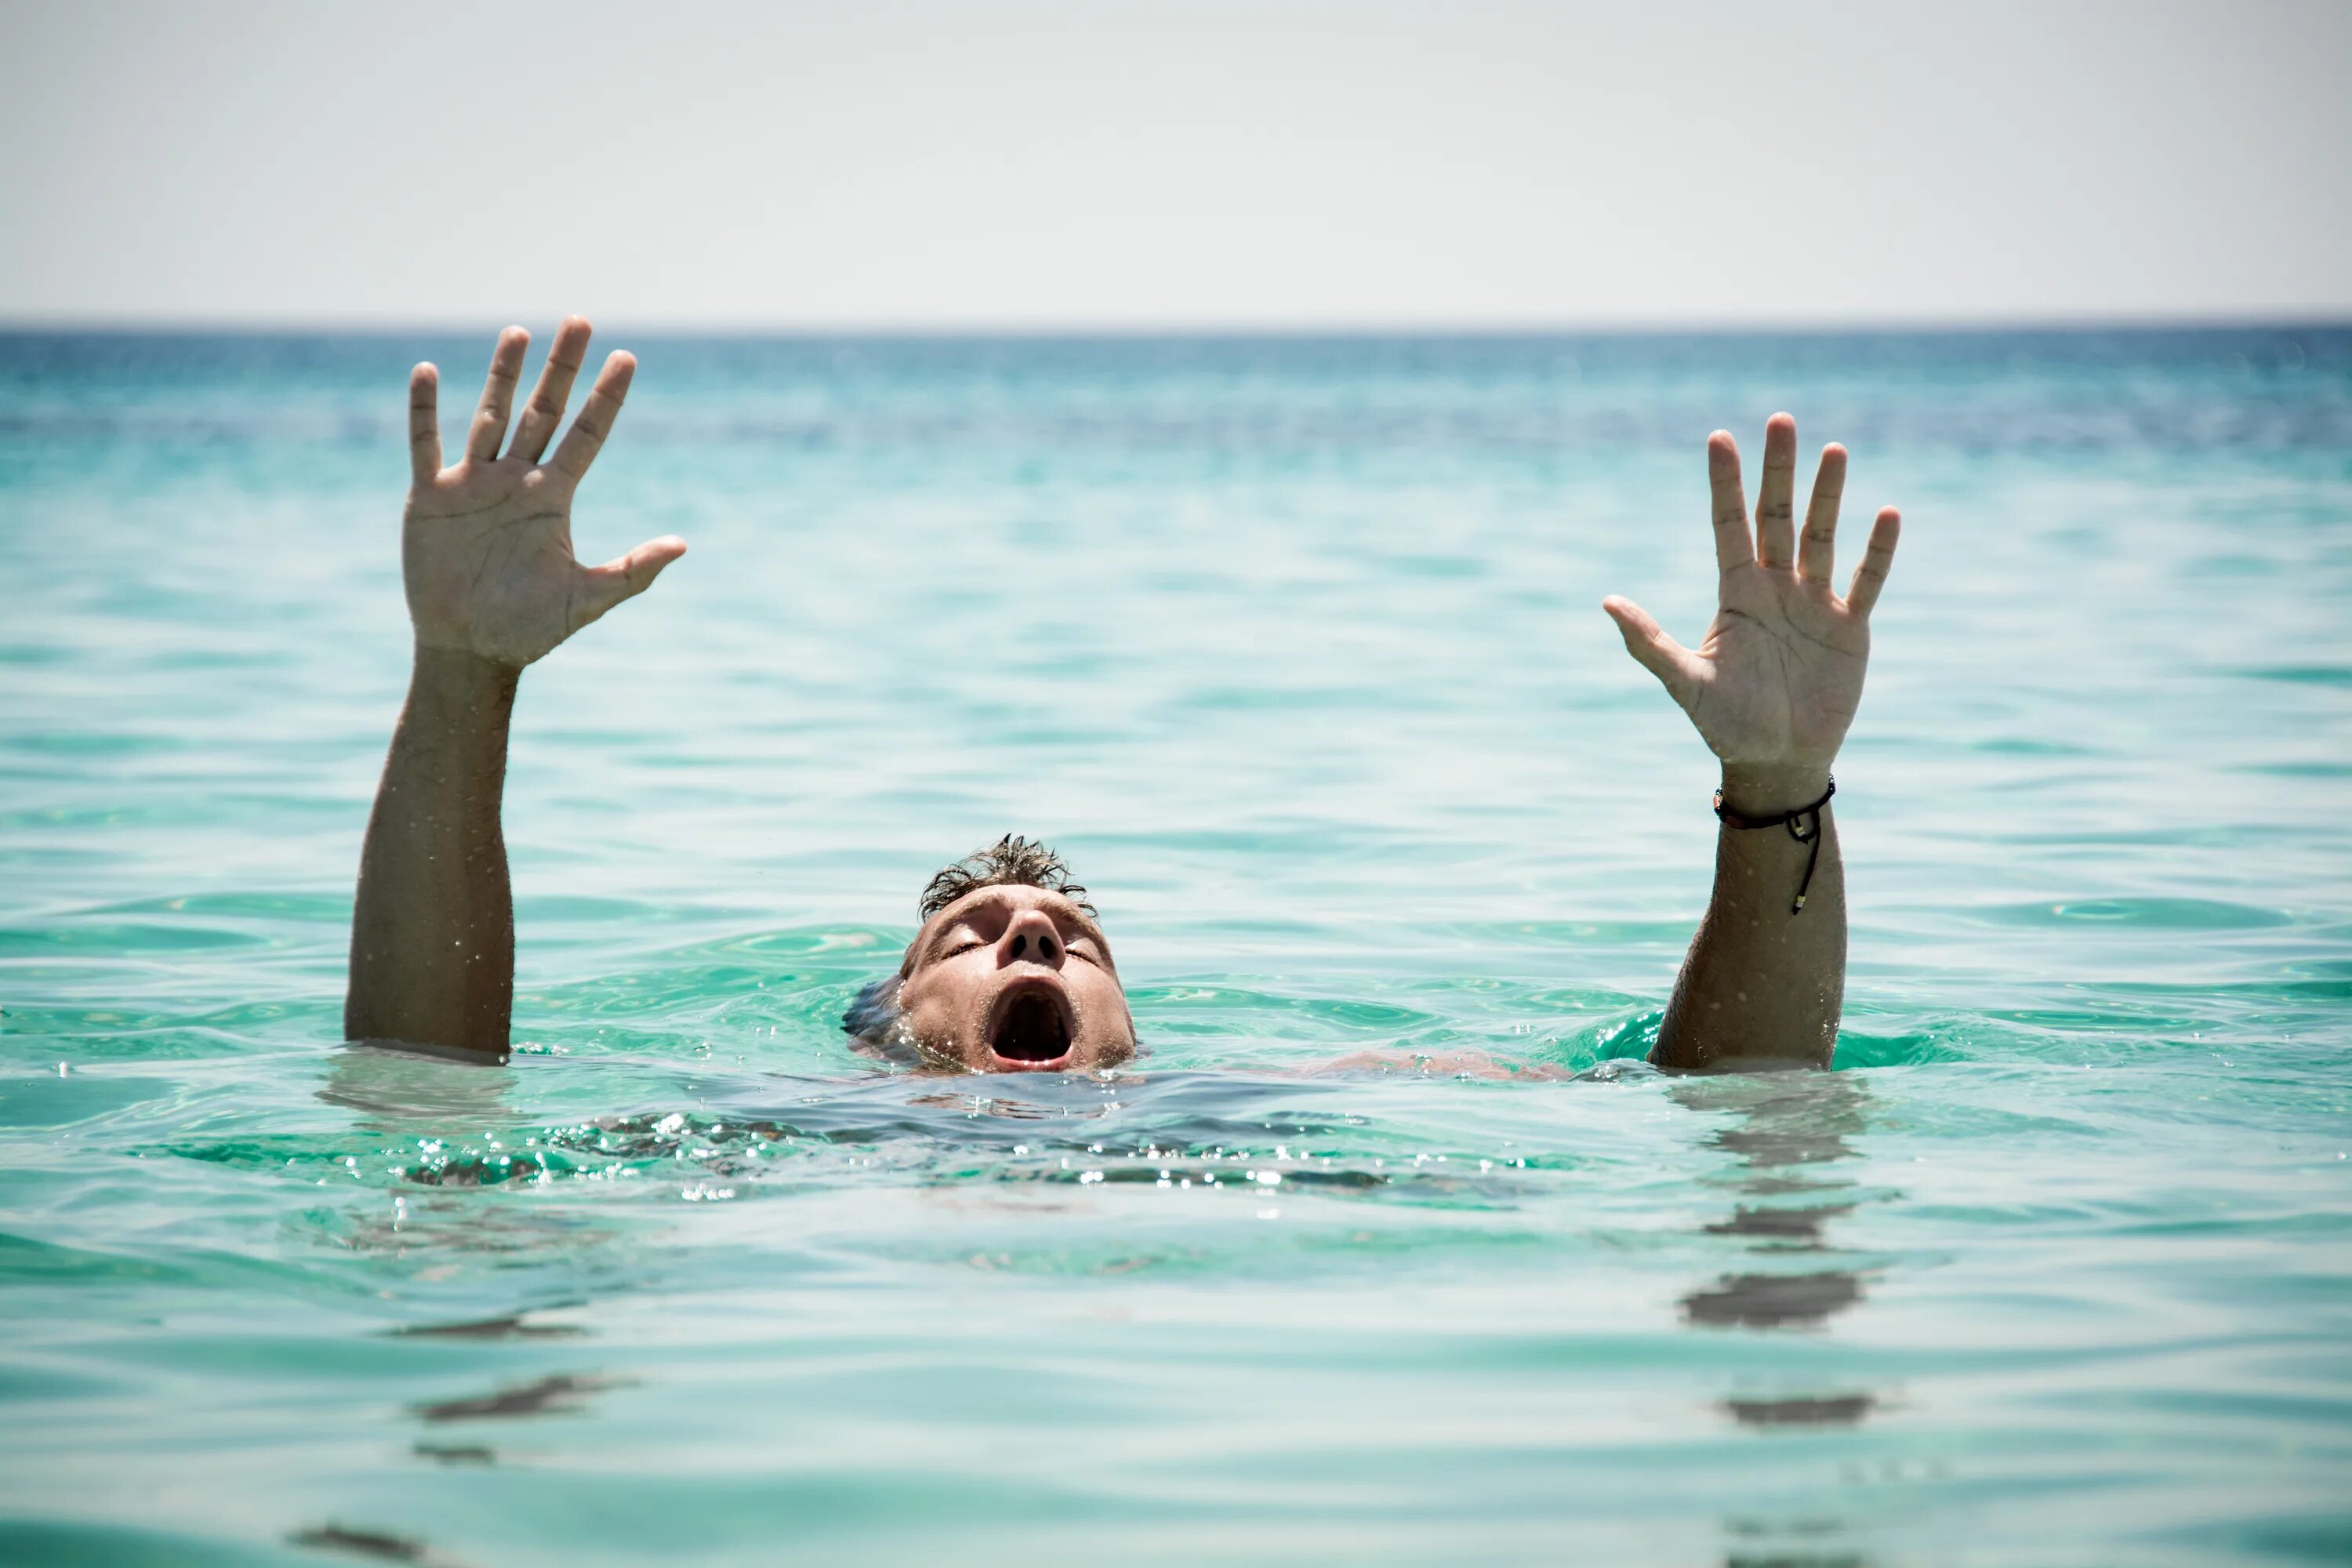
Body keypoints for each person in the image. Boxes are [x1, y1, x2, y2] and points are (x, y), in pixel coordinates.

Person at [345, 320, 1902, 1076]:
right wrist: (463, 676)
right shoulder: (772, 1153)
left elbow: (1739, 1113)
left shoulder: (1262, 1126)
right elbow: (427, 1113)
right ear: (880, 1027)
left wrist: (1777, 794)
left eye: (1071, 940)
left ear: (1134, 1032)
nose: (1031, 933)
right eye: (974, 937)